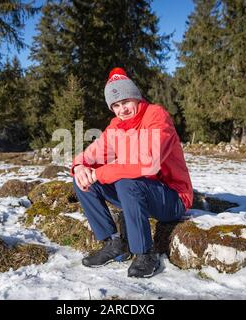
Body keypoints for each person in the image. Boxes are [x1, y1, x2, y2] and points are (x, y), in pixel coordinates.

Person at [71, 67, 193, 278]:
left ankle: (145, 254)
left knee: (126, 180)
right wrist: (80, 166)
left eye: (126, 102)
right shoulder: (116, 126)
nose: (122, 110)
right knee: (82, 180)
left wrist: (101, 173)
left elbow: (149, 163)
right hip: (138, 194)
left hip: (172, 198)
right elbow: (92, 154)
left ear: (136, 97)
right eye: (116, 105)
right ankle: (114, 243)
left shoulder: (156, 116)